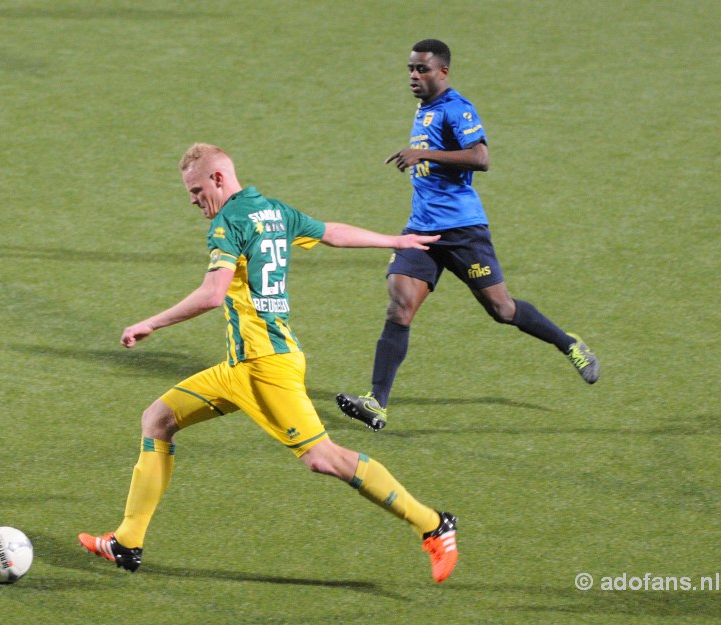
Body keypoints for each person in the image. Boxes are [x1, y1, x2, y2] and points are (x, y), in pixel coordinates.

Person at [78, 143, 459, 583]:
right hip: (241, 367)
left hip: (265, 367)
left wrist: (150, 323)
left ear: (219, 179)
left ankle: (431, 524)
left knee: (324, 458)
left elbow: (212, 294)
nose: (193, 200)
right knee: (157, 420)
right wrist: (394, 240)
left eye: (197, 190)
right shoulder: (273, 211)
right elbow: (331, 231)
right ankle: (127, 541)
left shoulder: (229, 223)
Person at [336, 39, 599, 431]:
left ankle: (569, 344)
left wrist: (423, 154)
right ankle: (377, 402)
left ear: (442, 71)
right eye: (410, 68)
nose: (413, 75)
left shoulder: (457, 109)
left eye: (422, 69)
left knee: (502, 310)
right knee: (399, 307)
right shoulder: (424, 108)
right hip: (422, 230)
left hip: (462, 230)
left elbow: (481, 158)